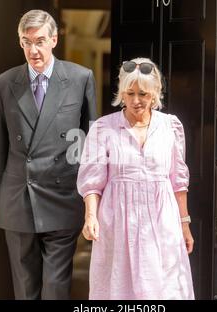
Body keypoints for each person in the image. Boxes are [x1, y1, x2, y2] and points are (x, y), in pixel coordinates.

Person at [0, 9, 97, 300]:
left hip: (63, 195)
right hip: (17, 197)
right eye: (26, 42)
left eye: (39, 41)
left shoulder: (80, 78)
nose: (33, 50)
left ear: (54, 39)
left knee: (55, 286)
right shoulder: (2, 83)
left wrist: (90, 197)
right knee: (25, 286)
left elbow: (90, 143)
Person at [77, 57, 195, 299]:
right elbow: (92, 180)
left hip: (162, 221)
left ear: (155, 93)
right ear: (121, 93)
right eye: (129, 93)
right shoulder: (103, 128)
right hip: (118, 221)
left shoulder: (170, 126)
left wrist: (185, 224)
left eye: (143, 93)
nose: (136, 100)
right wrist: (90, 216)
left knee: (163, 287)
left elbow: (178, 180)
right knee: (118, 288)